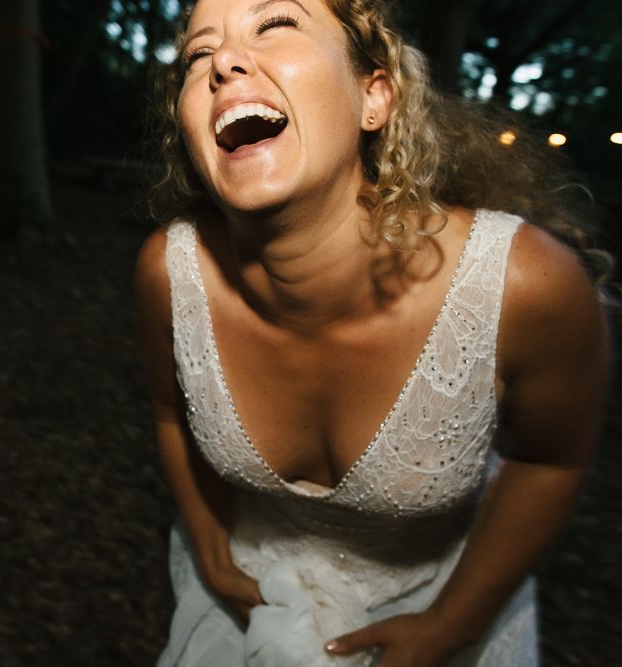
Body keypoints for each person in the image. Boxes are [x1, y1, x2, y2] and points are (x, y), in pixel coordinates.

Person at [135, 0, 610, 664]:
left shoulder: (524, 284)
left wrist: (451, 624)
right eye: (195, 54)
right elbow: (168, 412)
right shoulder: (169, 271)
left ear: (375, 96)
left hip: (441, 607)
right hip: (246, 610)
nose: (224, 63)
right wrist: (210, 542)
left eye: (275, 24)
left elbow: (548, 459)